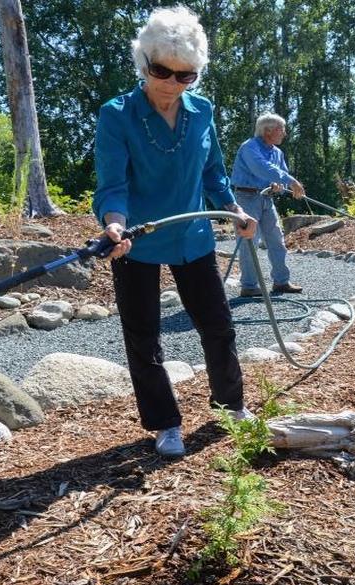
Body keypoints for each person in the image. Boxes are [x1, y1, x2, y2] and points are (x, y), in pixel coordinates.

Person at [93, 6, 258, 458]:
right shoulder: (116, 115)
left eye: (185, 75)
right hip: (136, 241)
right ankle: (166, 423)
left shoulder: (202, 111)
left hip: (193, 237)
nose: (171, 83)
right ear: (144, 63)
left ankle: (232, 405)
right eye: (162, 71)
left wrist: (233, 209)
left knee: (219, 327)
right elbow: (112, 185)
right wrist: (113, 225)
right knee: (143, 337)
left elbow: (214, 174)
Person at [230, 113, 305, 297]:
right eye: (281, 129)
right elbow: (261, 167)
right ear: (268, 130)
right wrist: (290, 180)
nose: (284, 134)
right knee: (250, 242)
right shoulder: (249, 147)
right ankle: (249, 286)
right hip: (246, 198)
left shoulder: (277, 153)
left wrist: (278, 186)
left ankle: (281, 282)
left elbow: (279, 178)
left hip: (266, 199)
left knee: (276, 240)